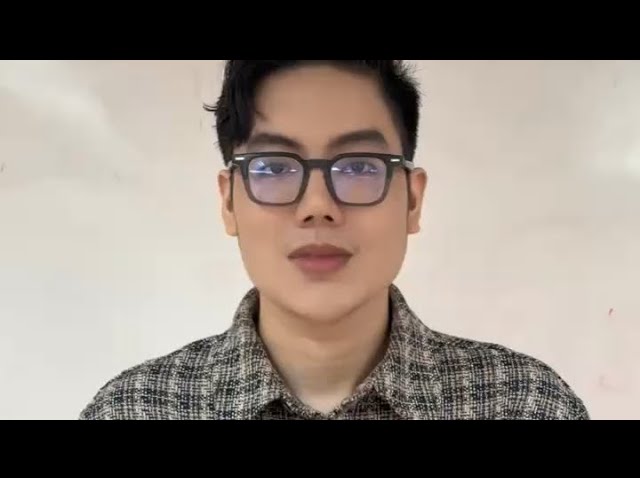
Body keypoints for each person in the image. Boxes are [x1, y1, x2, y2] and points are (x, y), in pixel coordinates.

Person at [79, 60, 589, 420]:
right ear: (229, 201)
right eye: (273, 167)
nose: (317, 205)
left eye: (360, 167)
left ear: (412, 200)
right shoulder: (134, 410)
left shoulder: (525, 404)